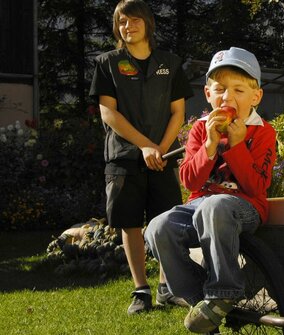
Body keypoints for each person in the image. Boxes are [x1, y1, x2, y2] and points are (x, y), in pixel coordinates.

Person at [144, 47, 277, 333]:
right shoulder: (201, 130)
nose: (227, 97)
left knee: (214, 205)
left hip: (244, 207)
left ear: (256, 97)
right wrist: (210, 146)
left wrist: (239, 146)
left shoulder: (263, 131)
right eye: (219, 89)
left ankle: (224, 292)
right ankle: (199, 301)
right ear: (207, 94)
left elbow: (257, 187)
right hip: (199, 205)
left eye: (238, 90)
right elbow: (190, 182)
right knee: (157, 228)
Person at [89, 0, 193, 315]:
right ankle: (141, 290)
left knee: (167, 222)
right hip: (123, 158)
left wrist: (160, 148)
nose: (128, 27)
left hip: (164, 155)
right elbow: (108, 112)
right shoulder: (107, 63)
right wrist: (146, 145)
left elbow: (179, 112)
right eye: (122, 22)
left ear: (148, 23)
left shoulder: (171, 63)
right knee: (130, 223)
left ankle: (165, 288)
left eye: (134, 20)